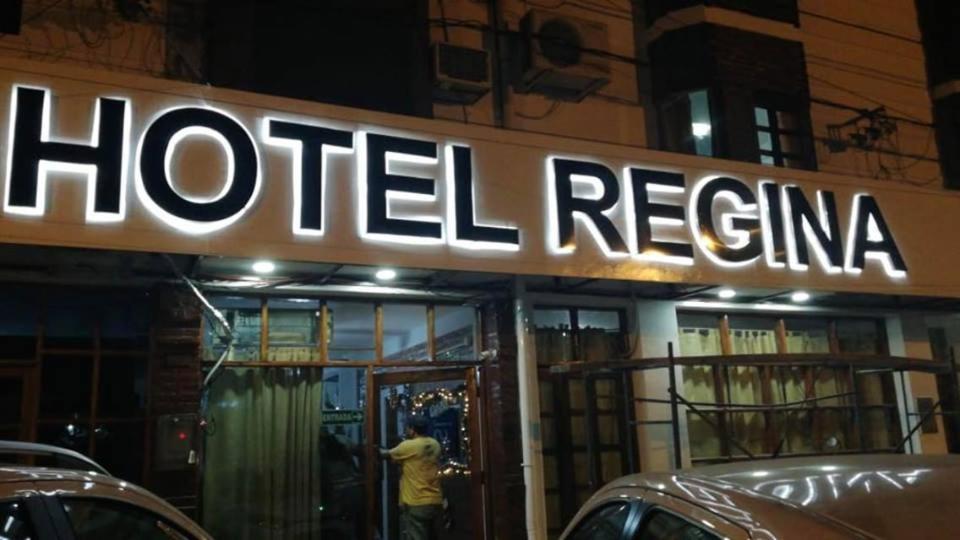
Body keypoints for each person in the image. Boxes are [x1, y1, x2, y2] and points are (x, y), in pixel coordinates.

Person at [380, 415, 443, 540]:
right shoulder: (435, 444)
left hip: (416, 502)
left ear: (413, 429)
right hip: (434, 500)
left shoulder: (408, 446)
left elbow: (384, 454)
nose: (406, 430)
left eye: (408, 427)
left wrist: (373, 447)